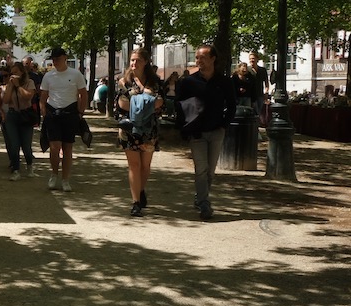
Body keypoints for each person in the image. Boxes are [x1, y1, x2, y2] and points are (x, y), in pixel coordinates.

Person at [175, 44, 237, 221]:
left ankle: (200, 196)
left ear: (213, 59)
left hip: (217, 131)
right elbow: (178, 105)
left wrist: (224, 125)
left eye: (202, 57)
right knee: (201, 169)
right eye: (197, 57)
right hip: (197, 133)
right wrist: (184, 127)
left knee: (210, 171)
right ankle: (204, 203)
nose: (198, 60)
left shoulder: (224, 81)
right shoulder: (188, 82)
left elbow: (232, 106)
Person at [115, 48, 164, 217]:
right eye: (132, 60)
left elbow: (161, 102)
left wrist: (137, 103)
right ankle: (136, 201)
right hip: (130, 128)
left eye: (138, 60)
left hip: (149, 129)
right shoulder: (124, 82)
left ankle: (141, 189)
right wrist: (147, 103)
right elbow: (122, 105)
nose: (134, 63)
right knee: (134, 165)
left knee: (145, 165)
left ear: (146, 62)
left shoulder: (155, 81)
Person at [40, 47, 88, 192]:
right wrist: (44, 112)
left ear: (65, 58)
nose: (55, 62)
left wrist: (80, 112)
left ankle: (65, 179)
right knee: (54, 147)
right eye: (53, 59)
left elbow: (83, 94)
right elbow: (43, 96)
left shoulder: (75, 74)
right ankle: (54, 174)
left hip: (70, 113)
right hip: (53, 113)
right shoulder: (48, 76)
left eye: (57, 59)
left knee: (68, 147)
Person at [1, 62, 38, 180]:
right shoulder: (9, 84)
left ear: (22, 72)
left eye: (16, 72)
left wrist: (18, 86)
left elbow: (28, 97)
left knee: (26, 146)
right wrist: (11, 86)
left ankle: (29, 166)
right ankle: (16, 170)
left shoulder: (29, 83)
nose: (13, 75)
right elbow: (6, 100)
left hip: (25, 115)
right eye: (12, 73)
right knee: (14, 144)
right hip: (12, 115)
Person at [247, 50, 270, 124]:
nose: (251, 60)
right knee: (254, 111)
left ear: (257, 59)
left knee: (258, 112)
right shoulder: (247, 70)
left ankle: (255, 128)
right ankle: (254, 127)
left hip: (260, 95)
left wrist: (266, 91)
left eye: (253, 58)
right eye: (250, 59)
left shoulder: (262, 70)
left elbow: (266, 82)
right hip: (250, 95)